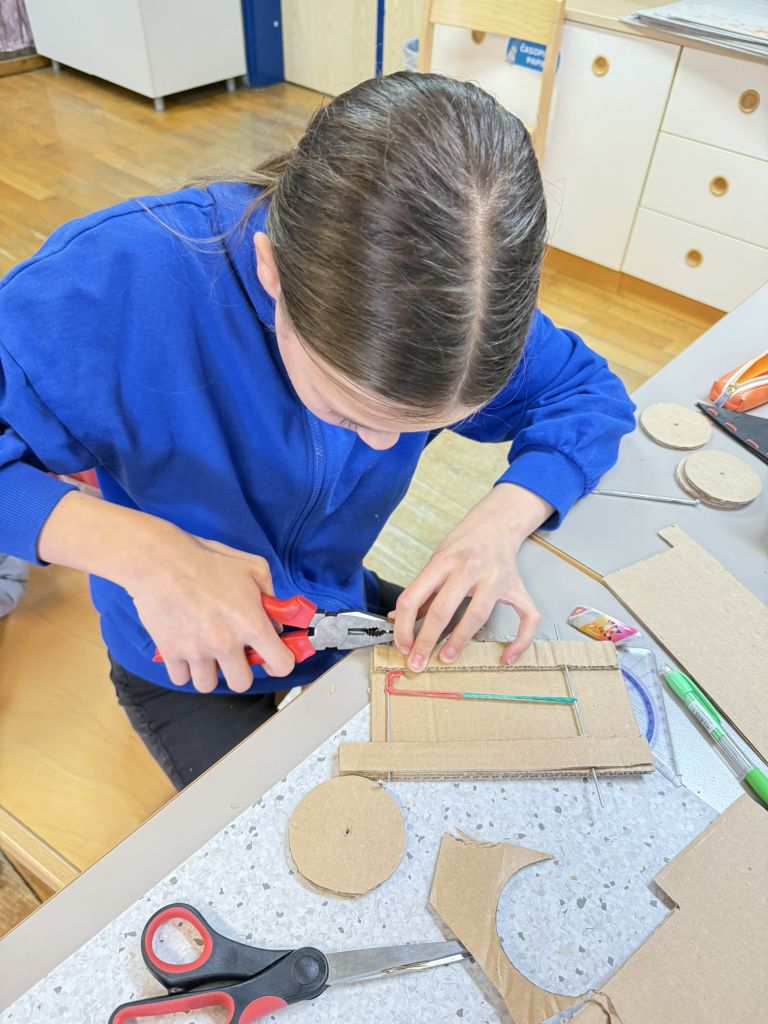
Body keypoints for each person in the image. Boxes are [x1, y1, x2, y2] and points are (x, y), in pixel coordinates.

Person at [0, 73, 634, 788]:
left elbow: (587, 394)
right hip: (178, 658)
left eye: (426, 429)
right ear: (271, 272)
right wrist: (149, 557)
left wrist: (496, 524)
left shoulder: (460, 303)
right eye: (349, 413)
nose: (380, 450)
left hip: (333, 605)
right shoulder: (110, 283)